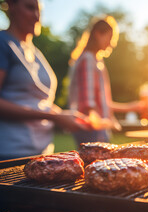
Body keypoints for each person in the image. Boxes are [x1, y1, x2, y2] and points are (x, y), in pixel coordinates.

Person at [0, 0, 86, 161]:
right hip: (10, 153)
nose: (37, 16)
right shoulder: (3, 43)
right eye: (30, 8)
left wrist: (63, 114)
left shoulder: (36, 52)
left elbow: (40, 102)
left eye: (40, 11)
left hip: (43, 152)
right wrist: (55, 117)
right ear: (11, 6)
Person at [68, 16, 143, 147]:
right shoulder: (88, 59)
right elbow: (87, 101)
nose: (111, 43)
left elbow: (102, 102)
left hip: (96, 127)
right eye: (110, 37)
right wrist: (98, 121)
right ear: (98, 34)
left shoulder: (96, 61)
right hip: (89, 128)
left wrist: (130, 108)